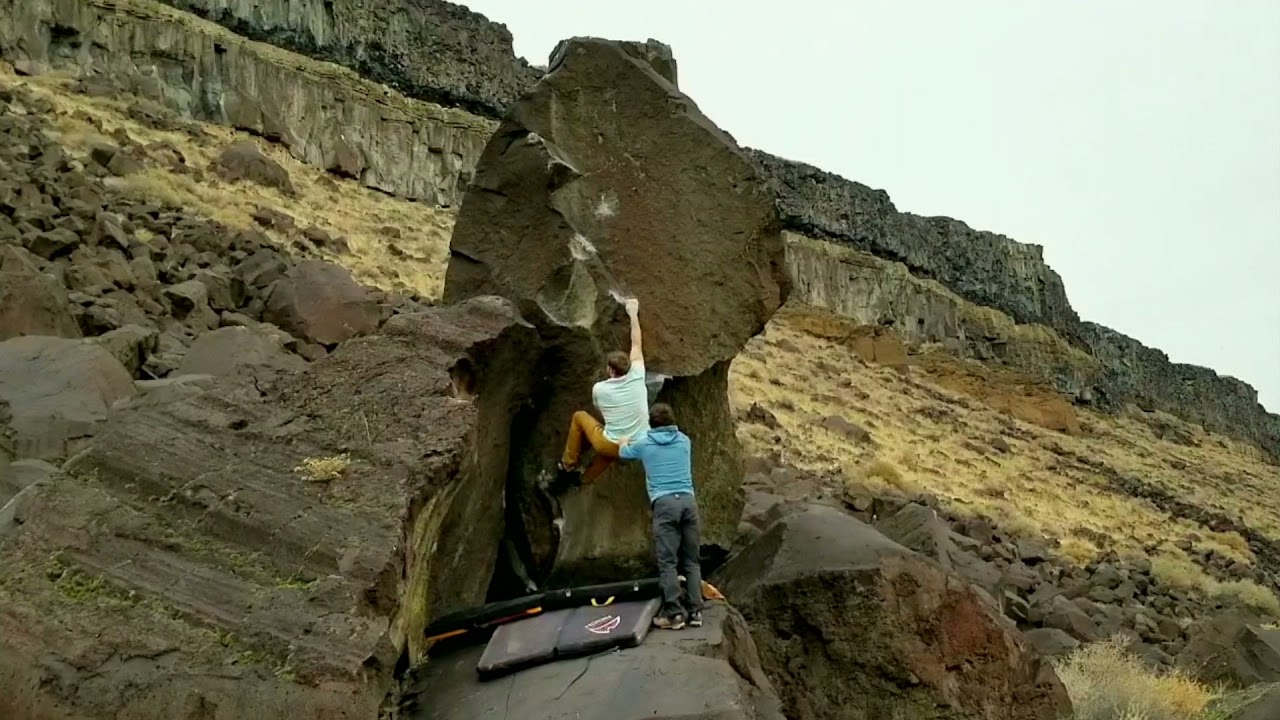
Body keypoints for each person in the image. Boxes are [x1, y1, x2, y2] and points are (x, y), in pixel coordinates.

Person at [618, 402, 703, 630]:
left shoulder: (644, 444)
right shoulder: (685, 441)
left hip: (664, 503)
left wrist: (625, 440)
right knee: (692, 561)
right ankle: (695, 612)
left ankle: (674, 614)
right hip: (688, 501)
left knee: (668, 562)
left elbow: (623, 452)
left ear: (651, 423)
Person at [557, 297, 649, 486]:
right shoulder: (639, 374)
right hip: (637, 448)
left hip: (609, 444)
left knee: (580, 417)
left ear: (610, 370)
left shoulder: (600, 389)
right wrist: (633, 313)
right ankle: (583, 481)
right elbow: (637, 344)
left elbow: (598, 408)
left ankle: (568, 465)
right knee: (611, 451)